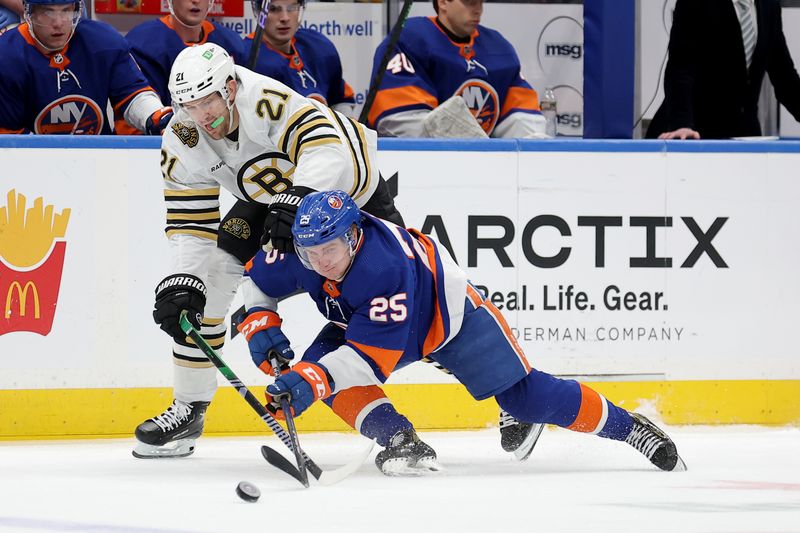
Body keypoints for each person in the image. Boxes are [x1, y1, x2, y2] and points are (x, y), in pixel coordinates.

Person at [133, 42, 484, 468]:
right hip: (270, 195)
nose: (201, 116)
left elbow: (325, 148)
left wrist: (300, 194)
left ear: (229, 86)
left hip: (348, 190)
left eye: (208, 101)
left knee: (413, 306)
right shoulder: (181, 137)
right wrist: (183, 279)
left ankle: (502, 383)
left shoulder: (265, 101)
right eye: (188, 105)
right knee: (210, 281)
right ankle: (189, 408)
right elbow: (191, 224)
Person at [241, 190, 687, 474]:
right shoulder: (304, 253)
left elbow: (369, 359)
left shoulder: (383, 267)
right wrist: (260, 322)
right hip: (360, 321)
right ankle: (400, 440)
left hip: (446, 318)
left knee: (527, 396)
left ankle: (631, 429)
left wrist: (309, 379)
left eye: (330, 250)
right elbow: (257, 283)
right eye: (310, 252)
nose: (319, 262)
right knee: (323, 373)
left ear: (355, 236)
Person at [366, 0, 547, 139]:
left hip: (489, 171)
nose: (478, 9)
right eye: (469, 2)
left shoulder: (499, 48)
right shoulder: (408, 40)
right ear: (443, 2)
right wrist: (466, 150)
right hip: (420, 169)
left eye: (480, 2)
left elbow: (523, 119)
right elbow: (403, 120)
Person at [0, 0, 172, 135]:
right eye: (47, 12)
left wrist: (157, 116)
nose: (59, 23)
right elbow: (8, 134)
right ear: (29, 12)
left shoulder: (102, 40)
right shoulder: (7, 55)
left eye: (66, 10)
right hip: (34, 166)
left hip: (99, 158)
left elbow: (132, 94)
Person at [646, 0, 800, 140]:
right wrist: (681, 124)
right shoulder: (695, 2)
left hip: (744, 138)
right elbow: (680, 68)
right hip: (692, 134)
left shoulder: (769, 5)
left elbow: (784, 76)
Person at [244, 0, 356, 117]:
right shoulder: (246, 58)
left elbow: (339, 99)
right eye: (273, 9)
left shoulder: (319, 46)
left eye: (292, 8)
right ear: (258, 11)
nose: (285, 18)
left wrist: (348, 130)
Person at [125, 0, 246, 108]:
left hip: (218, 129)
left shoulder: (230, 43)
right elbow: (141, 109)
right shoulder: (145, 43)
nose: (196, 1)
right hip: (163, 131)